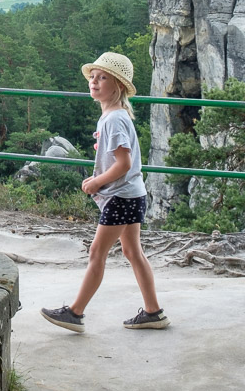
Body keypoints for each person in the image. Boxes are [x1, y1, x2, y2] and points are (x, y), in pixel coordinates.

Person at [41, 52, 169, 332]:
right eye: (93, 77)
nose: (94, 82)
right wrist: (101, 176)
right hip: (132, 194)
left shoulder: (112, 120)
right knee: (133, 251)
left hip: (121, 196)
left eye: (102, 78)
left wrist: (97, 182)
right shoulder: (115, 116)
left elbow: (123, 164)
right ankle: (153, 312)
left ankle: (75, 313)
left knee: (97, 252)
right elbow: (121, 162)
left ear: (118, 86)